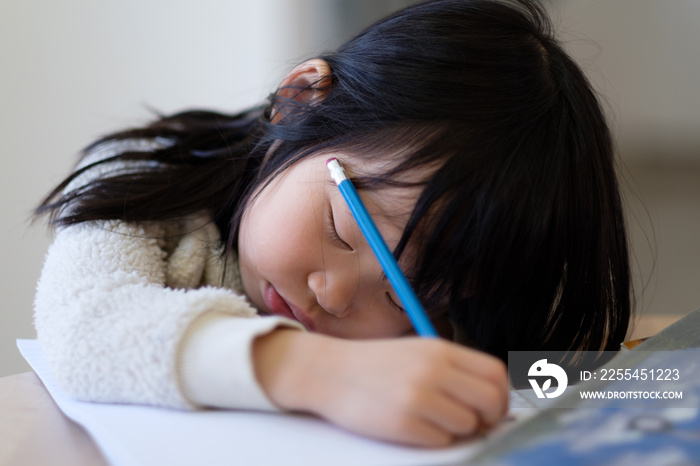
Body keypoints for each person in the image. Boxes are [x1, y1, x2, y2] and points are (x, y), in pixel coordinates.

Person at [33, 0, 631, 447]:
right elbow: (84, 327)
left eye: (405, 295)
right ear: (300, 98)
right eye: (345, 229)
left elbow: (541, 374)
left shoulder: (449, 322)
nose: (336, 295)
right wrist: (317, 372)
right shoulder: (146, 181)